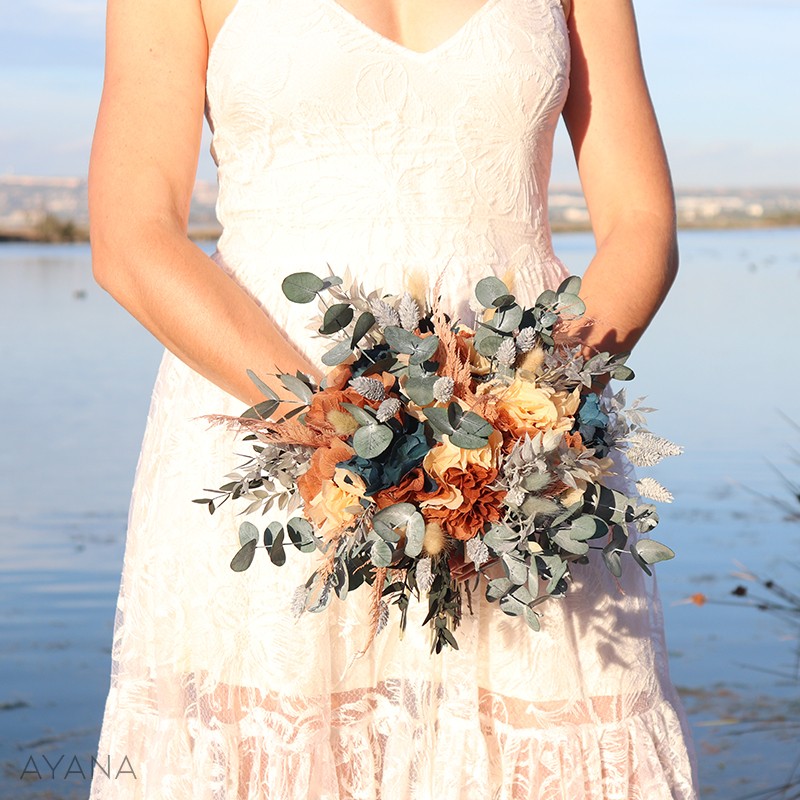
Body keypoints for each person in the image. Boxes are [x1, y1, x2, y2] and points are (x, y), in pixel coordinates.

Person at [88, 0, 699, 797]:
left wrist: (525, 405)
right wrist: (335, 426)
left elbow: (641, 222)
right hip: (276, 443)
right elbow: (132, 234)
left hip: (523, 458)